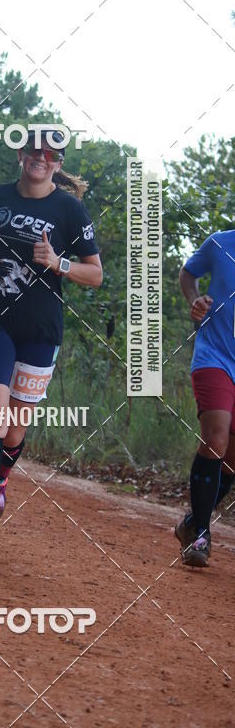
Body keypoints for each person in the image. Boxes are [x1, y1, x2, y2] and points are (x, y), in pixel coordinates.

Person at [0, 128, 103, 555]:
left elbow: (95, 275)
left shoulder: (69, 209)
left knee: (15, 429)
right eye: (34, 151)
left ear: (57, 162)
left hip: (41, 330)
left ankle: (1, 477)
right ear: (21, 154)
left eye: (50, 154)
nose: (41, 158)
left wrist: (59, 263)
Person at [175, 229, 235, 567]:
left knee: (232, 459)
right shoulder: (220, 243)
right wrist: (194, 301)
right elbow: (188, 273)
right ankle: (201, 533)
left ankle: (191, 523)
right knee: (216, 436)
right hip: (215, 355)